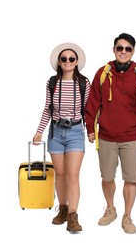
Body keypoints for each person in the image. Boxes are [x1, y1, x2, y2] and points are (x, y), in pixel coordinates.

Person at [84, 33, 136, 234]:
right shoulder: (103, 72)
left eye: (128, 48)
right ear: (114, 50)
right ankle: (110, 209)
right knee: (107, 177)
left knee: (131, 178)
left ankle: (127, 216)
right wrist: (90, 128)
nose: (123, 51)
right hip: (106, 135)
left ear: (133, 51)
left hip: (132, 136)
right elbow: (92, 103)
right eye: (120, 48)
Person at [33, 42, 90, 232]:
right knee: (60, 174)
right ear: (59, 62)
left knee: (73, 175)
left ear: (76, 62)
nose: (67, 61)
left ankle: (73, 216)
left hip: (75, 133)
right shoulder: (52, 82)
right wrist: (39, 131)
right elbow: (47, 109)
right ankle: (63, 210)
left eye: (71, 59)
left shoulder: (83, 83)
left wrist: (90, 130)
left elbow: (88, 110)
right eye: (64, 59)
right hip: (55, 133)